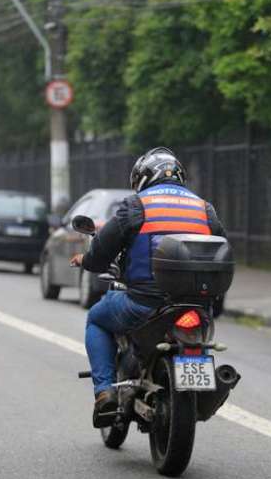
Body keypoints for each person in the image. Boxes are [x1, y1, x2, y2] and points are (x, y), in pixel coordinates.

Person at [69, 147, 226, 427]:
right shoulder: (205, 208)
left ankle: (104, 391)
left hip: (145, 304)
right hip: (197, 307)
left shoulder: (137, 205)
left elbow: (103, 249)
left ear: (143, 177)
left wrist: (86, 260)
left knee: (96, 319)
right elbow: (222, 255)